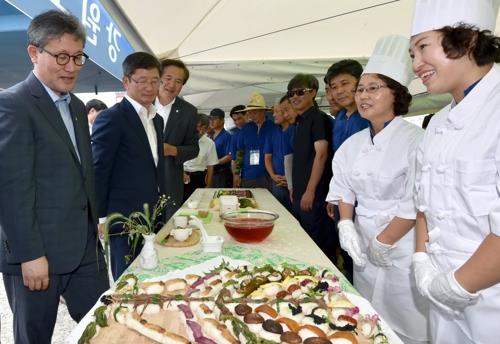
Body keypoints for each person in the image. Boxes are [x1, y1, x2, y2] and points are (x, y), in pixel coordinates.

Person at [0, 10, 109, 343]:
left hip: (84, 250)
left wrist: (95, 222)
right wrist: (29, 255)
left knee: (104, 326)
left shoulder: (76, 106)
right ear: (34, 53)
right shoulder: (13, 104)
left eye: (78, 57)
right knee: (34, 337)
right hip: (37, 256)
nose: (72, 67)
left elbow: (80, 173)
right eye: (62, 56)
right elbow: (12, 188)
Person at [326, 35, 429, 344]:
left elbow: (417, 200)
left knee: (406, 320)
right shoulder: (352, 144)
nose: (362, 96)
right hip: (362, 239)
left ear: (396, 94)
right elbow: (344, 187)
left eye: (373, 89)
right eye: (360, 90)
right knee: (368, 316)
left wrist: (384, 242)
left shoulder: (416, 141)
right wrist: (346, 224)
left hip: (403, 243)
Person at [409, 0, 500, 343]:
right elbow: (423, 203)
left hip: (492, 300)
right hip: (440, 289)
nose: (416, 65)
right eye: (411, 54)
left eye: (422, 47)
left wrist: (458, 284)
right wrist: (421, 261)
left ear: (468, 40)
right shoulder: (439, 122)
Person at [92, 52, 165, 280]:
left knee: (152, 274)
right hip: (123, 219)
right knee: (127, 281)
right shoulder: (111, 118)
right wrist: (101, 218)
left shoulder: (157, 119)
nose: (149, 87)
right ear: (126, 81)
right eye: (141, 81)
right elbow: (99, 169)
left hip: (153, 215)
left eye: (154, 81)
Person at [288, 73, 335, 259]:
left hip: (314, 194)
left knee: (317, 243)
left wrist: (310, 190)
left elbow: (321, 155)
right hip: (300, 191)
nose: (294, 97)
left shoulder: (317, 118)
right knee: (304, 238)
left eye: (300, 92)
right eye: (291, 94)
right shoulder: (300, 121)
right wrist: (295, 188)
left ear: (313, 93)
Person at [155, 59, 199, 220]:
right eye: (168, 78)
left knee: (168, 233)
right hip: (139, 186)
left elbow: (194, 148)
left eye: (178, 81)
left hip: (170, 184)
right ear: (158, 77)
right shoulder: (143, 103)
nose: (172, 85)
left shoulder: (188, 111)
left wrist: (172, 150)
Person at [326, 59, 370, 153]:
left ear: (360, 82)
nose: (339, 91)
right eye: (334, 87)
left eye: (344, 83)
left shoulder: (370, 115)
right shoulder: (340, 116)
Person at [233, 92, 275, 189]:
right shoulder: (245, 129)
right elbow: (240, 152)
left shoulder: (273, 128)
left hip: (267, 175)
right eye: (250, 112)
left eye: (255, 112)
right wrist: (236, 173)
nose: (252, 115)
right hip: (248, 175)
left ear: (264, 111)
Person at [264, 98, 293, 212]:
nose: (274, 115)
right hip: (278, 182)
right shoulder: (271, 132)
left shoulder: (295, 129)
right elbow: (267, 157)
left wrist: (291, 178)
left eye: (277, 111)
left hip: (295, 182)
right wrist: (273, 176)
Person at [183, 113, 219, 200]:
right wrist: (182, 174)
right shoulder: (182, 140)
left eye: (205, 129)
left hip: (198, 178)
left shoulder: (209, 143)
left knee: (199, 204)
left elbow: (211, 166)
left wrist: (208, 186)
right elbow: (175, 161)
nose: (201, 131)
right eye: (199, 127)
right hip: (181, 177)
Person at [209, 108, 233, 188]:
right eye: (210, 119)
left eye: (214, 119)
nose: (211, 121)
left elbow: (230, 156)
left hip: (222, 174)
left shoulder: (227, 136)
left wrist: (214, 162)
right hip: (210, 172)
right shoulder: (209, 136)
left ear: (222, 120)